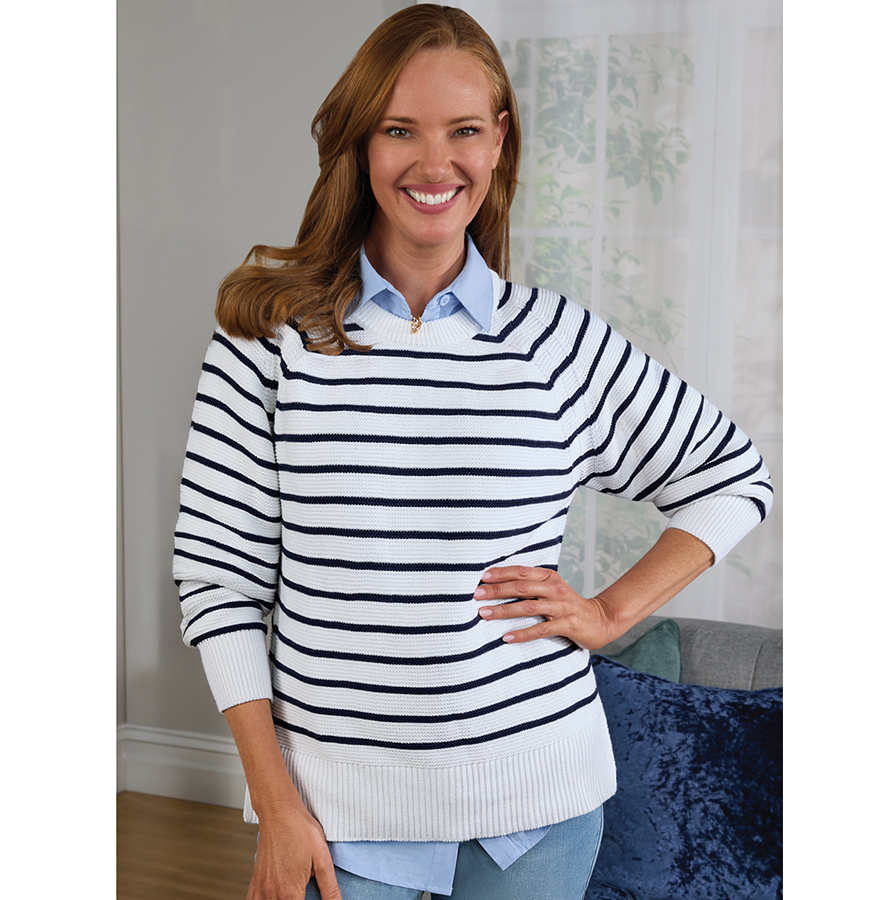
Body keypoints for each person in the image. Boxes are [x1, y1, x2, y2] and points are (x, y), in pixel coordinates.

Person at [173, 5, 773, 899]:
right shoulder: (271, 343)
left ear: (498, 143)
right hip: (333, 814)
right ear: (359, 145)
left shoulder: (557, 342)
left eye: (462, 131)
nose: (433, 163)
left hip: (540, 804)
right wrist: (275, 800)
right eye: (399, 130)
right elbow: (218, 581)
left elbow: (732, 476)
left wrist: (608, 613)